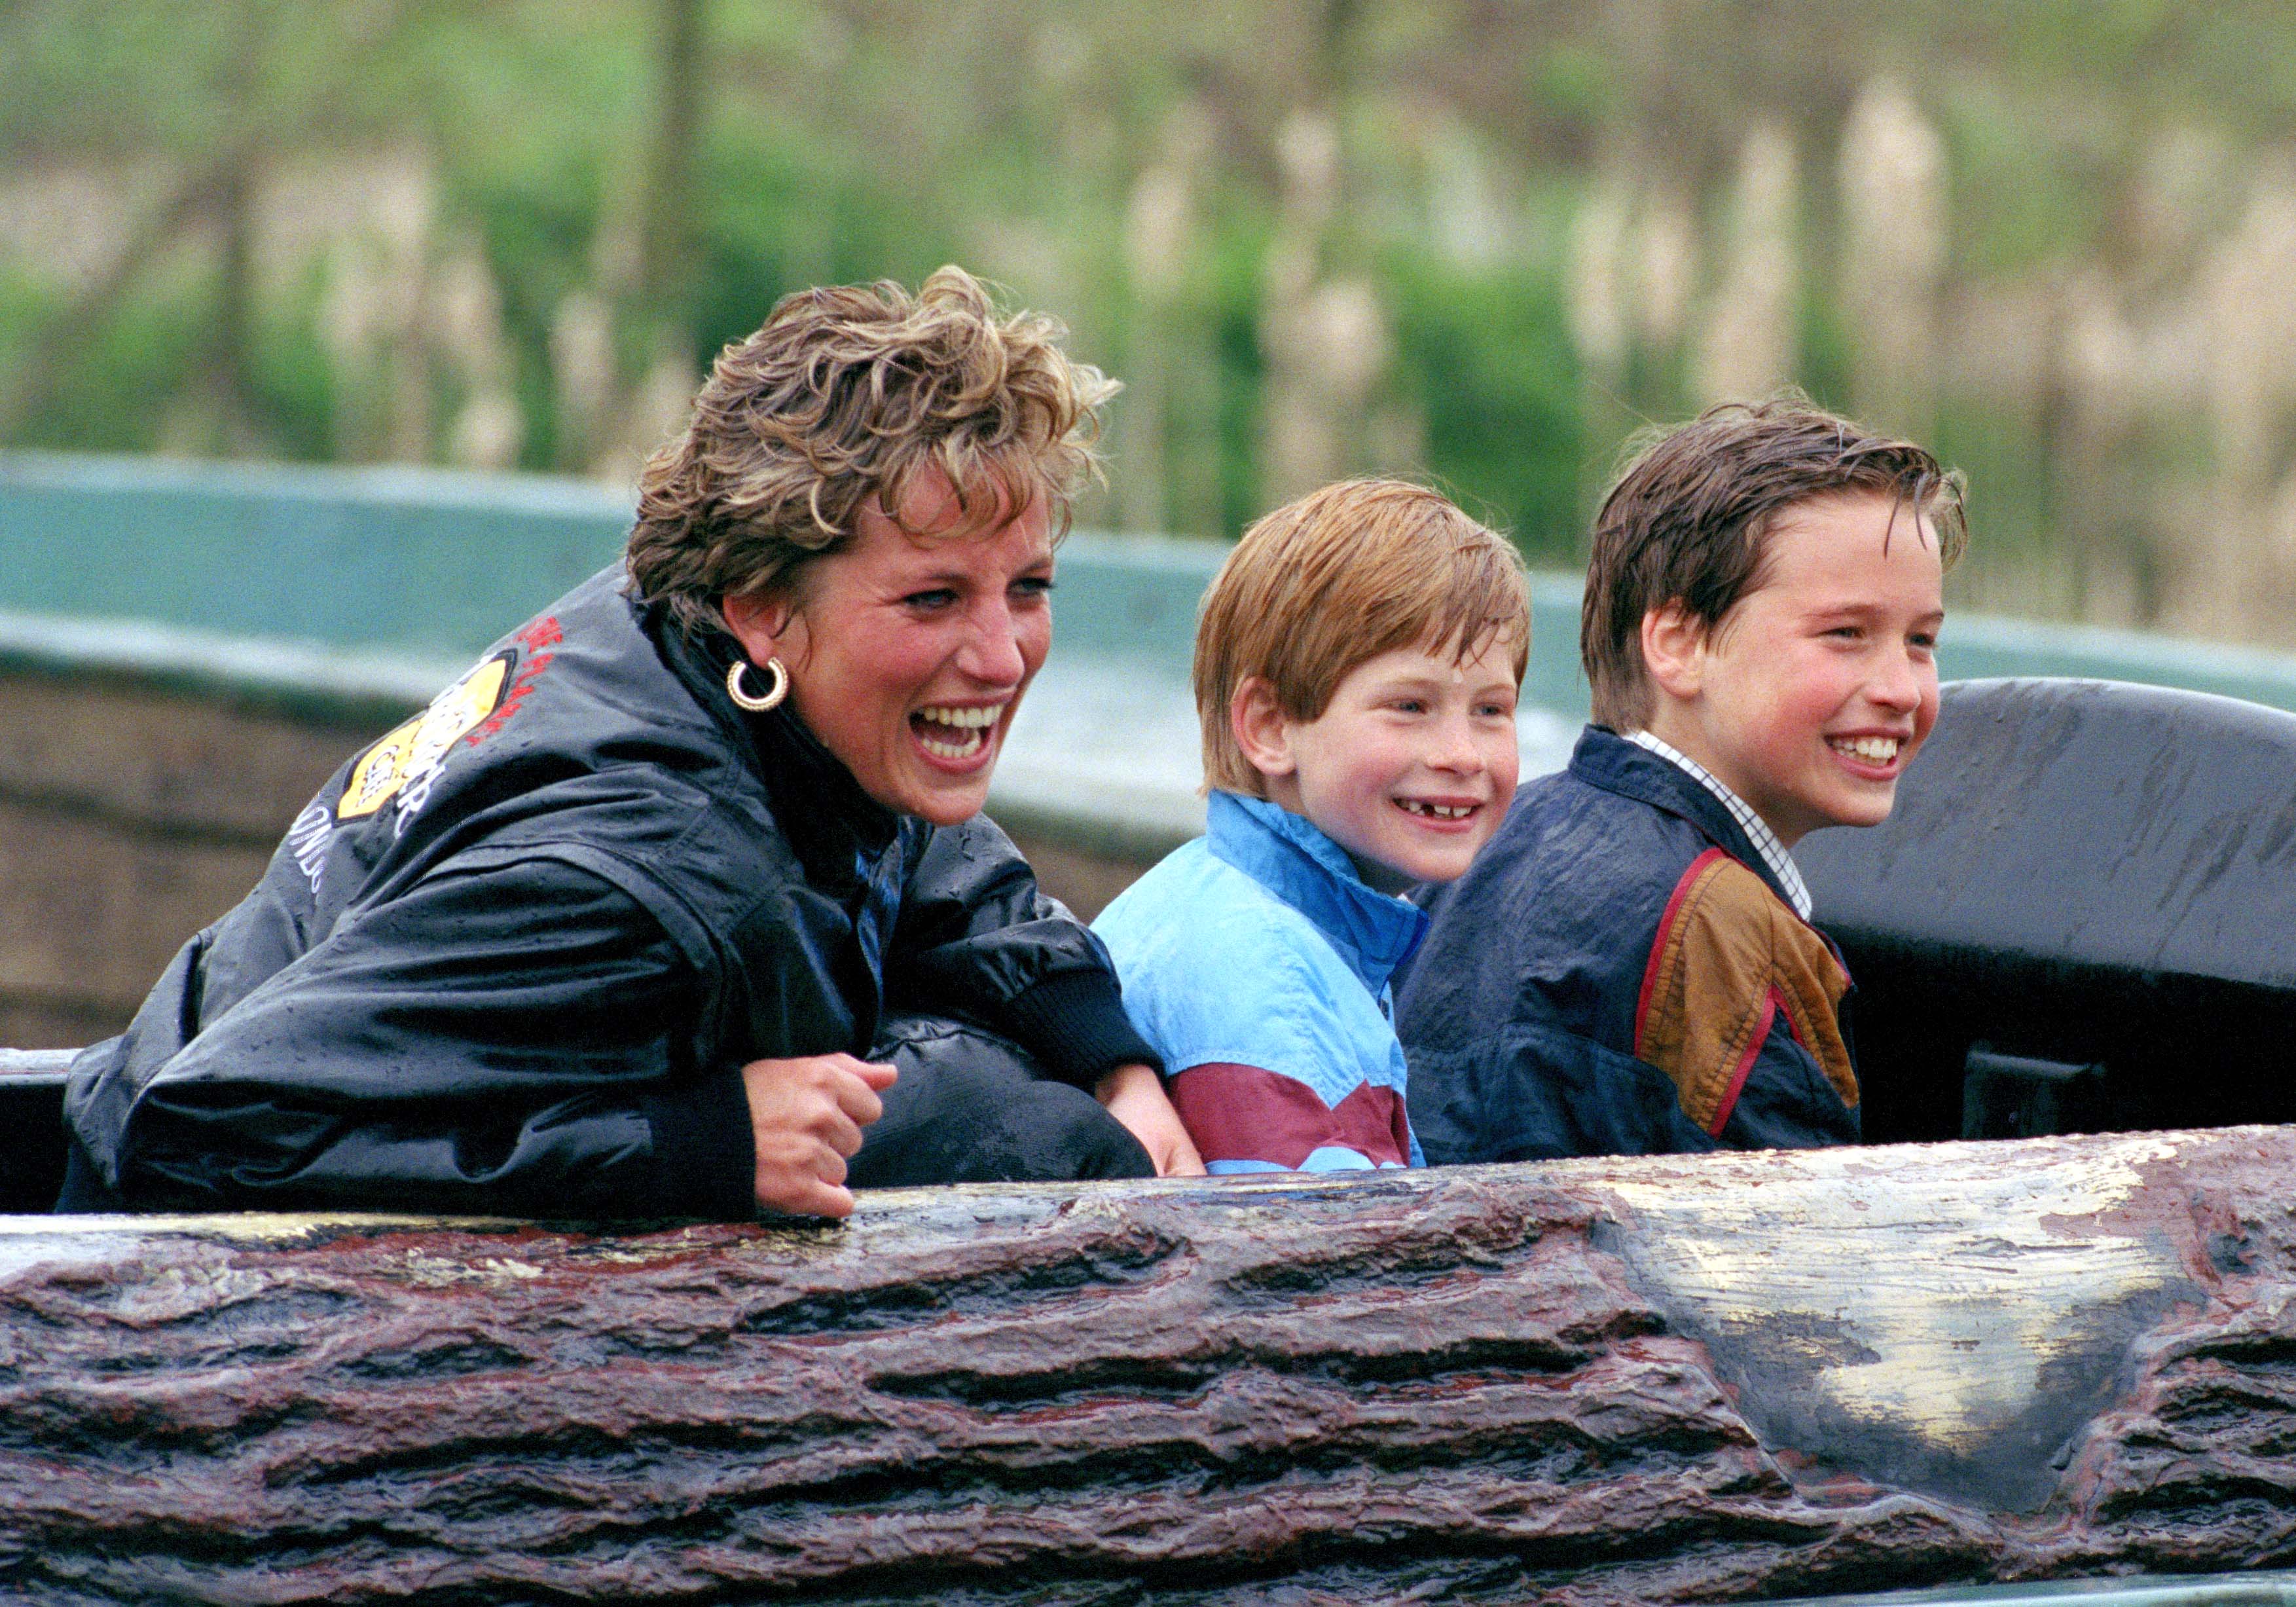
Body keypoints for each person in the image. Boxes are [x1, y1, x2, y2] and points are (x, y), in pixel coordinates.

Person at [59, 267, 1203, 1219]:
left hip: (212, 1067)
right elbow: (202, 1130)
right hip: (154, 1317)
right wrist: (696, 1143)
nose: (1001, 656)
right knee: (1033, 1145)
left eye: (1030, 586)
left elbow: (918, 846)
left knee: (1023, 1096)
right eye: (932, 600)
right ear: (763, 604)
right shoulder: (642, 874)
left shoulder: (696, 644)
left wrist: (1109, 1053)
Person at [1398, 397, 1967, 1163]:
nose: (1902, 688)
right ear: (1679, 644)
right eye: (1846, 634)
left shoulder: (1484, 846)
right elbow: (1799, 1259)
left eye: (1921, 641)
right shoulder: (1732, 937)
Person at [1091, 480, 1529, 1174]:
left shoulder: (1228, 901)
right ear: (1269, 728)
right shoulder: (1273, 997)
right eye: (1410, 706)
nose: (1462, 755)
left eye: (1491, 710)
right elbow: (1324, 1272)